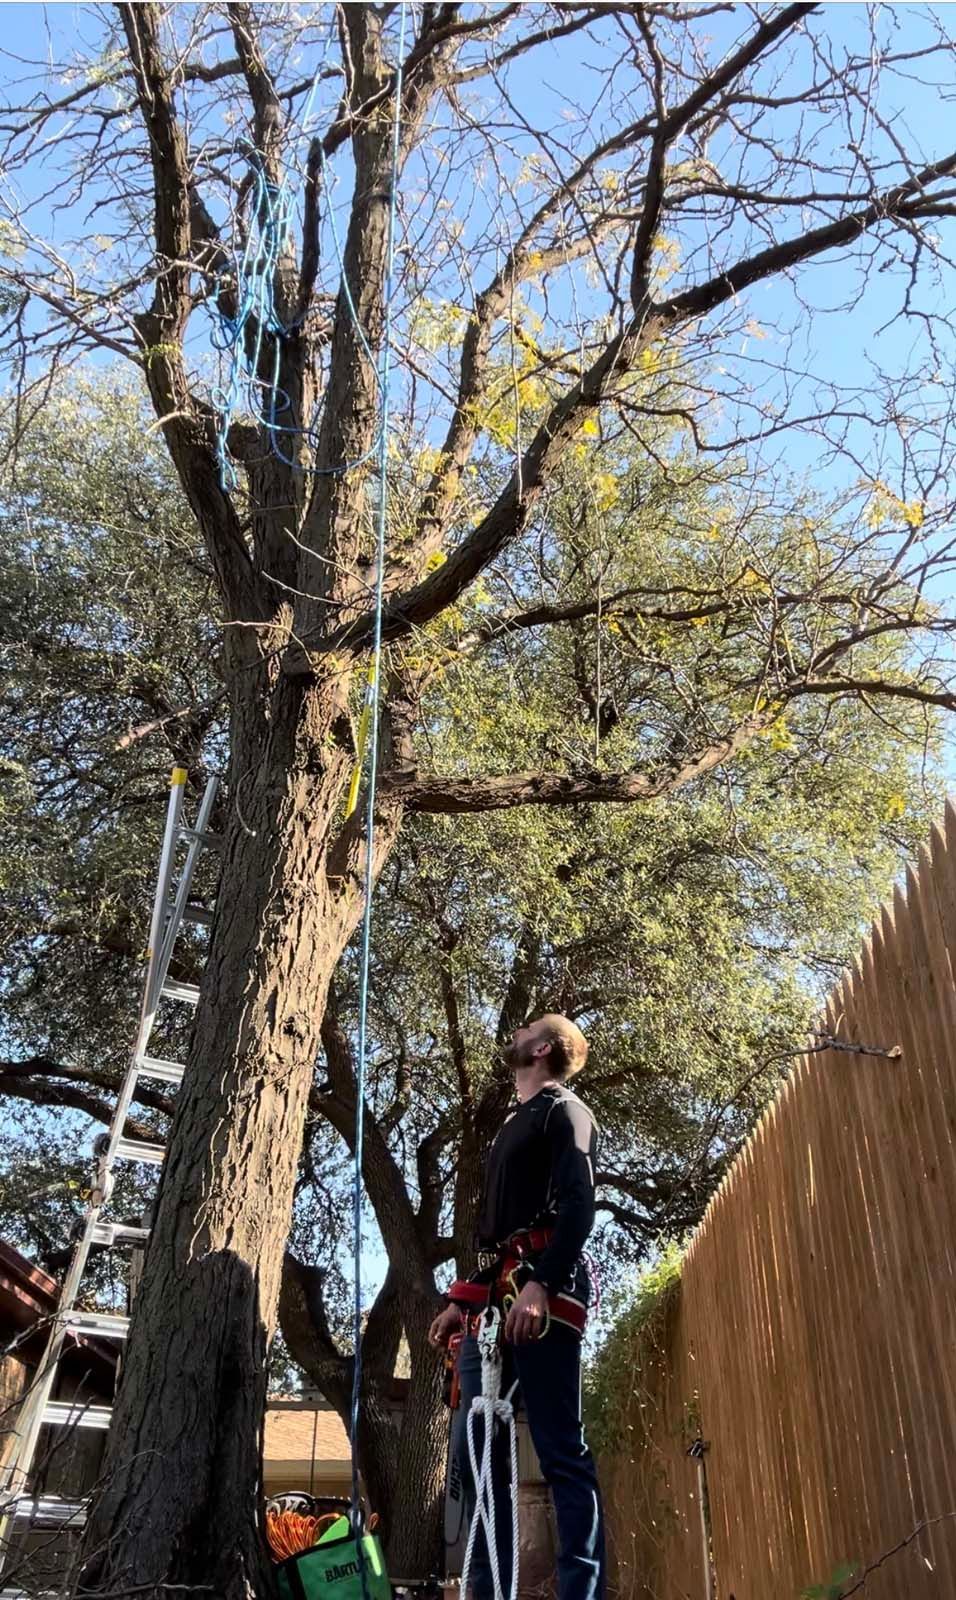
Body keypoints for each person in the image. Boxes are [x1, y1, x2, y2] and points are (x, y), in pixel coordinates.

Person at [429, 1013, 605, 1600]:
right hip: (501, 1296)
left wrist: (543, 1285)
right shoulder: (515, 1124)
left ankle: (581, 1591)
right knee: (479, 1451)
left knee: (560, 1449)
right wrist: (464, 1299)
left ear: (544, 1049)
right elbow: (503, 1239)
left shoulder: (564, 1111)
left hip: (542, 1297)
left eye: (524, 1031)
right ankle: (489, 1589)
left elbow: (579, 1206)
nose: (514, 1036)